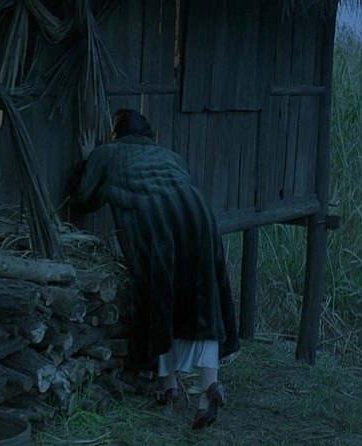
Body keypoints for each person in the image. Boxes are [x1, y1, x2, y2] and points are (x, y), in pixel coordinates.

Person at [70, 109, 240, 429]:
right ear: (149, 135)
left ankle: (169, 383)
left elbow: (82, 199)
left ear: (117, 134)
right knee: (202, 300)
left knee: (162, 296)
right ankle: (207, 387)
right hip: (200, 217)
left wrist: (88, 160)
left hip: (158, 223)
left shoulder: (108, 152)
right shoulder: (170, 156)